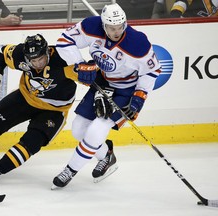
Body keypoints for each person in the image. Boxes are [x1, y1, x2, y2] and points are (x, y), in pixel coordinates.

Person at [0, 34, 97, 184]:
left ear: (47, 52)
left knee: (32, 142)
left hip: (54, 110)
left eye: (41, 59)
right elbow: (2, 53)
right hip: (25, 97)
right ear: (27, 58)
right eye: (33, 60)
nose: (38, 63)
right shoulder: (20, 54)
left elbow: (92, 78)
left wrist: (93, 73)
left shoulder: (64, 60)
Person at [52, 3, 161, 188]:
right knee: (79, 129)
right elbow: (64, 41)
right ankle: (106, 156)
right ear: (104, 25)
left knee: (96, 130)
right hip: (102, 83)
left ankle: (70, 170)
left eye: (120, 27)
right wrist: (79, 64)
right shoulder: (91, 26)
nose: (116, 31)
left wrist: (139, 97)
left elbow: (152, 70)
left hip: (126, 90)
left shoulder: (137, 43)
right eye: (111, 28)